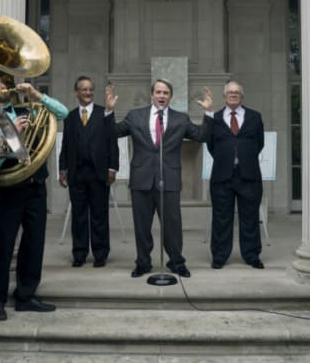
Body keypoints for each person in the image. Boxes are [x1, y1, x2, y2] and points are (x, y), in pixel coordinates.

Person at [0, 72, 68, 321]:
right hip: (9, 190)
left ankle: (26, 296)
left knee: (34, 244)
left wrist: (36, 95)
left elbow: (63, 113)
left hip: (36, 187)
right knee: (2, 246)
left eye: (3, 82)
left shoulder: (31, 109)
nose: (3, 86)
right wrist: (9, 138)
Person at [105, 79, 213, 278]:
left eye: (165, 93)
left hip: (169, 179)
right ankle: (143, 263)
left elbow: (202, 136)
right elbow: (112, 132)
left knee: (172, 225)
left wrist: (208, 113)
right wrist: (109, 112)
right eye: (158, 92)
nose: (162, 96)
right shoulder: (135, 116)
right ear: (152, 94)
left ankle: (176, 262)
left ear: (170, 96)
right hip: (141, 179)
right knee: (141, 225)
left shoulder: (180, 118)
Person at [59, 76, 119, 268]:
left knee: (99, 215)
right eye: (84, 89)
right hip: (77, 173)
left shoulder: (105, 113)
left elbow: (112, 142)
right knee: (79, 216)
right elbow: (65, 146)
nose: (88, 93)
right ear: (76, 92)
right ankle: (79, 253)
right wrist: (62, 169)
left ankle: (100, 254)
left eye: (91, 89)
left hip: (99, 173)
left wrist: (112, 168)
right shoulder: (70, 117)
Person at [207, 81, 265, 269]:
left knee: (250, 217)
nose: (233, 94)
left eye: (237, 92)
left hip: (249, 175)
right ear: (224, 96)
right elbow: (211, 145)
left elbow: (259, 143)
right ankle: (219, 256)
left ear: (242, 96)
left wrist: (243, 157)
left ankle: (251, 255)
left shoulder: (255, 117)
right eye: (230, 92)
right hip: (222, 176)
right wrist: (227, 158)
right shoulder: (214, 118)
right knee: (221, 217)